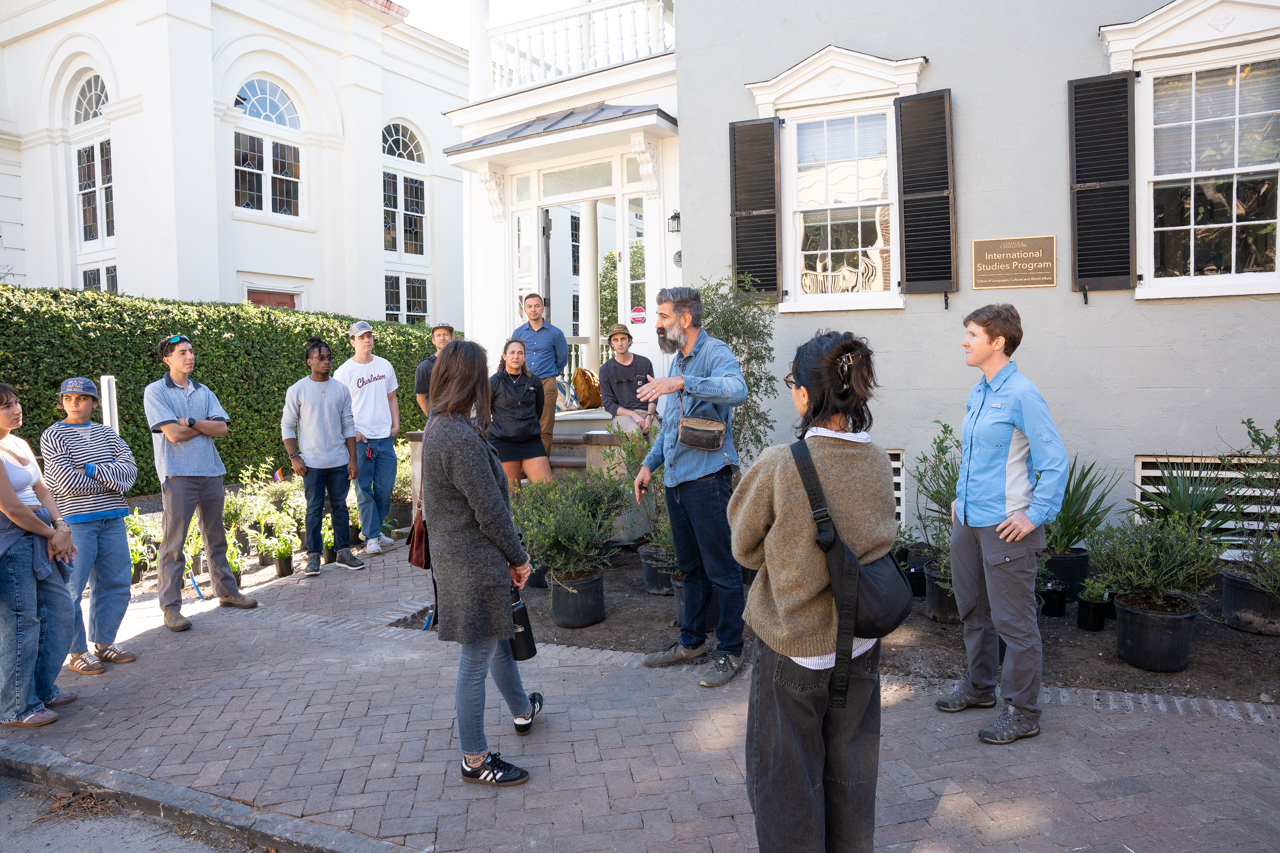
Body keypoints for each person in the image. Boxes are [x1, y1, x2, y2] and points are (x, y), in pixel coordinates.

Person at [729, 332, 895, 853]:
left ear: (804, 394)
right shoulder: (877, 461)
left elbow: (743, 545)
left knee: (786, 788)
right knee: (852, 779)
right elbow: (878, 541)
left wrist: (784, 555)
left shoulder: (782, 463)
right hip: (861, 646)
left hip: (795, 651)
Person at [938, 304, 1068, 745]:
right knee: (973, 609)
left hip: (1007, 529)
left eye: (972, 334)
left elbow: (1055, 463)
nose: (965, 341)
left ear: (998, 342)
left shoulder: (1022, 394)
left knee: (1014, 623)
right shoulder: (980, 390)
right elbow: (975, 453)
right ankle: (978, 689)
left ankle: (1024, 712)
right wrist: (960, 496)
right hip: (970, 521)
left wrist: (1033, 516)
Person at [422, 340, 543, 787]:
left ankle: (522, 710)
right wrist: (519, 557)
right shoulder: (457, 435)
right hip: (473, 563)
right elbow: (490, 511)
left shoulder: (442, 425)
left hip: (460, 560)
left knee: (495, 638)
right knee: (475, 660)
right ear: (471, 379)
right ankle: (475, 760)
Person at [634, 287, 749, 688]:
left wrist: (683, 382)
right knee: (690, 570)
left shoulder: (714, 352)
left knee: (722, 570)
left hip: (708, 478)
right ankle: (692, 642)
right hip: (677, 481)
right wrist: (649, 465)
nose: (658, 322)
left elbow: (738, 390)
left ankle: (731, 652)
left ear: (685, 319)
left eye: (663, 315)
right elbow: (669, 428)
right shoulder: (676, 360)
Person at [143, 335, 258, 632]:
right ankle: (171, 610)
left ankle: (227, 592)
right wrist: (197, 425)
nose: (189, 356)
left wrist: (190, 422)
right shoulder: (155, 392)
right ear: (167, 359)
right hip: (177, 474)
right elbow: (173, 435)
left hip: (210, 471)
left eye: (191, 351)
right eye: (182, 352)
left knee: (216, 536)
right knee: (173, 544)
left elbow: (221, 428)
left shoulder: (203, 391)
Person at [40, 378, 139, 676]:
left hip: (112, 517)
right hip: (75, 522)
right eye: (68, 397)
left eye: (82, 398)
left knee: (116, 582)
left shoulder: (107, 433)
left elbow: (129, 473)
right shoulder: (53, 435)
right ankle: (77, 652)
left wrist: (91, 468)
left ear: (94, 402)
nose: (74, 403)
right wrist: (109, 474)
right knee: (71, 589)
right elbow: (63, 482)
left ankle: (105, 643)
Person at [0, 383, 79, 728]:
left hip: (42, 535)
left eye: (16, 403)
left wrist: (61, 526)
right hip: (12, 543)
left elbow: (42, 489)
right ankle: (15, 706)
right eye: (7, 407)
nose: (17, 410)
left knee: (60, 610)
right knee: (21, 623)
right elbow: (12, 507)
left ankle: (43, 688)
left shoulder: (18, 443)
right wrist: (52, 534)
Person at [281, 337, 365, 577]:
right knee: (314, 509)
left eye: (329, 358)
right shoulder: (297, 390)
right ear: (310, 361)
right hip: (312, 463)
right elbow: (287, 425)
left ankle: (343, 553)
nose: (326, 362)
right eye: (321, 358)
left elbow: (348, 424)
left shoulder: (340, 389)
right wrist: (294, 457)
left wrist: (353, 459)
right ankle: (313, 557)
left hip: (339, 461)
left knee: (340, 507)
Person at [333, 321, 401, 556]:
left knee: (384, 489)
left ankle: (373, 529)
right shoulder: (343, 372)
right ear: (352, 342)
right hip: (360, 441)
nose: (367, 340)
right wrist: (351, 432)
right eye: (361, 337)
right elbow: (338, 409)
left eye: (369, 336)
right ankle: (372, 537)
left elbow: (391, 397)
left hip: (384, 438)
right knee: (363, 489)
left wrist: (396, 424)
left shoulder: (384, 365)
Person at [489, 339, 554, 488]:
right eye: (512, 353)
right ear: (504, 356)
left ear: (525, 357)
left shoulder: (534, 381)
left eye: (520, 353)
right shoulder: (493, 382)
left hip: (530, 441)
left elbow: (538, 411)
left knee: (548, 490)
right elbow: (486, 413)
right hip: (503, 442)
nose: (516, 356)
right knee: (512, 497)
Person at [511, 293, 567, 457]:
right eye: (529, 306)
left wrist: (551, 373)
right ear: (525, 309)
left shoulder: (555, 333)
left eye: (536, 306)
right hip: (523, 384)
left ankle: (541, 473)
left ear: (543, 308)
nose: (533, 309)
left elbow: (562, 358)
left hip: (546, 384)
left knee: (544, 427)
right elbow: (513, 356)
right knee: (521, 425)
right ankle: (523, 468)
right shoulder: (518, 333)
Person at [598, 324, 656, 434]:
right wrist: (633, 415)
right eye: (615, 340)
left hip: (646, 412)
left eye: (623, 339)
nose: (620, 343)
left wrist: (649, 416)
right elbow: (608, 403)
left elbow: (653, 394)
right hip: (622, 415)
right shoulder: (605, 369)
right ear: (611, 343)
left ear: (629, 341)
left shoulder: (644, 363)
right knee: (635, 433)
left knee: (658, 439)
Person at [414, 322, 456, 416]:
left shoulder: (461, 363)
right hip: (438, 419)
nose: (442, 338)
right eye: (438, 335)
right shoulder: (425, 366)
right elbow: (421, 398)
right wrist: (432, 419)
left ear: (452, 338)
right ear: (433, 340)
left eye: (445, 335)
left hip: (460, 419)